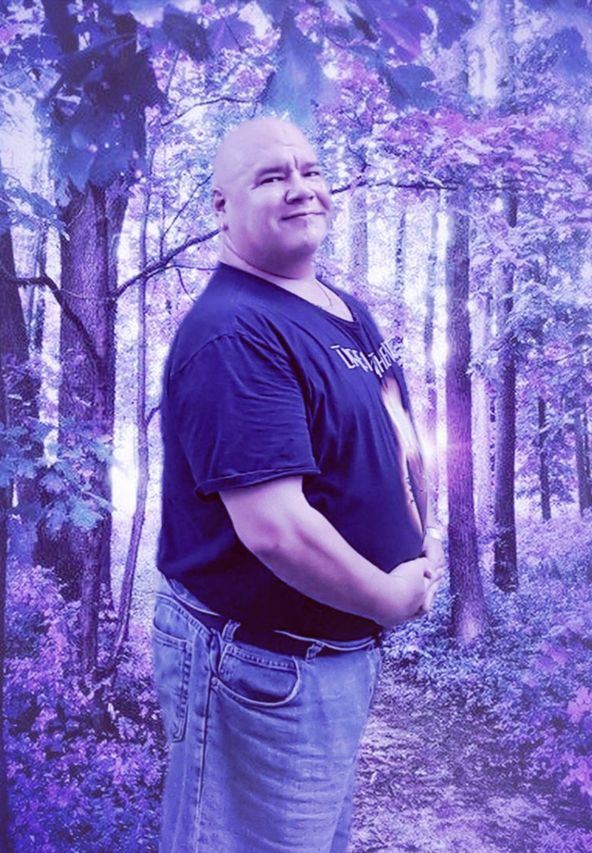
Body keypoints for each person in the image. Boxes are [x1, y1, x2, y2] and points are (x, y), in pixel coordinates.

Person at [153, 116, 445, 853]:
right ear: (222, 207)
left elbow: (396, 436)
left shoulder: (343, 311)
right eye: (271, 177)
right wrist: (386, 598)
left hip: (329, 659)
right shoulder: (235, 332)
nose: (300, 188)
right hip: (261, 669)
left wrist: (427, 536)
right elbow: (275, 527)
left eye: (310, 171)